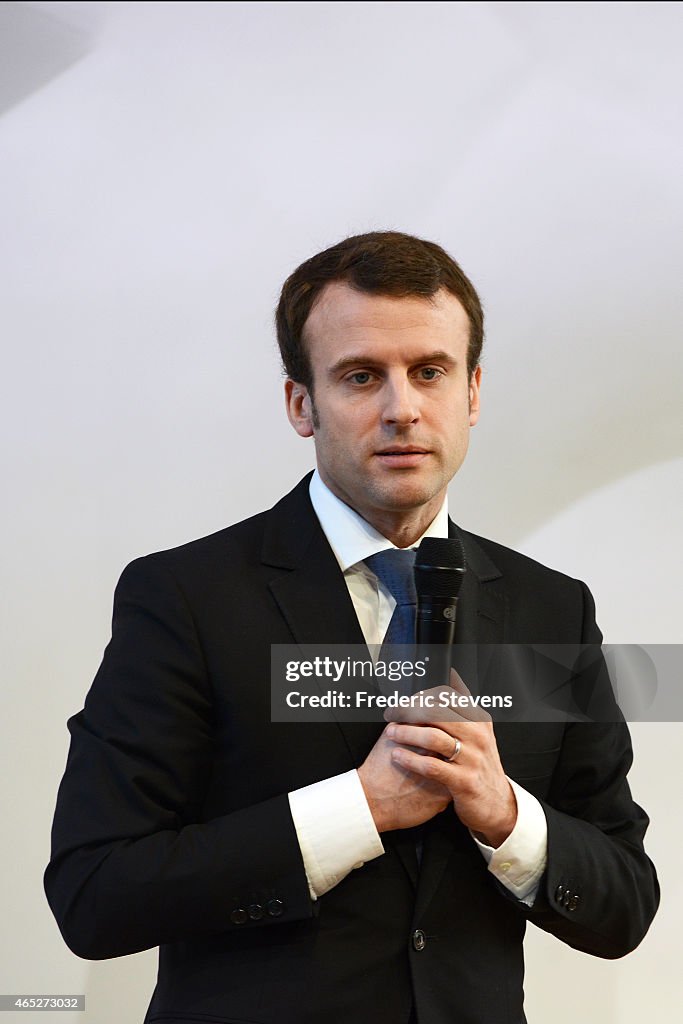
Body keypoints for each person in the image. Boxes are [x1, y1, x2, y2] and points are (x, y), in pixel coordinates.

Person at [45, 231, 659, 1024]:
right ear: (302, 404)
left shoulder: (552, 607)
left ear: (471, 393)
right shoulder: (185, 598)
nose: (401, 408)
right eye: (361, 376)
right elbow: (94, 893)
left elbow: (624, 904)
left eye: (429, 372)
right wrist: (357, 808)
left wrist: (503, 813)